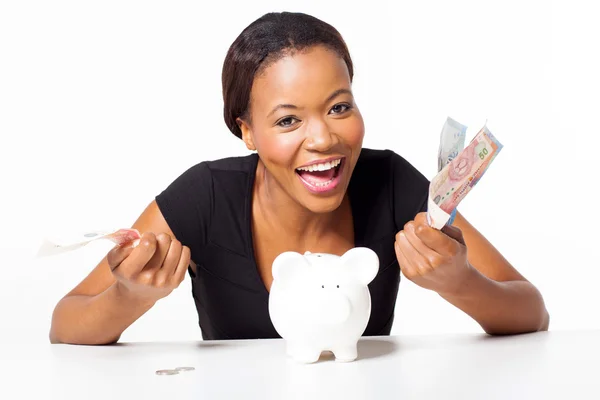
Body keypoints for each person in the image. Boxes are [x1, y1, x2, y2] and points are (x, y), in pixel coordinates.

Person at [49, 12, 549, 345]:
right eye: (288, 120)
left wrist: (460, 282)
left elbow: (531, 311)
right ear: (246, 131)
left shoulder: (391, 181)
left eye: (339, 107)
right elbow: (64, 323)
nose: (324, 139)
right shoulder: (204, 196)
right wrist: (128, 297)